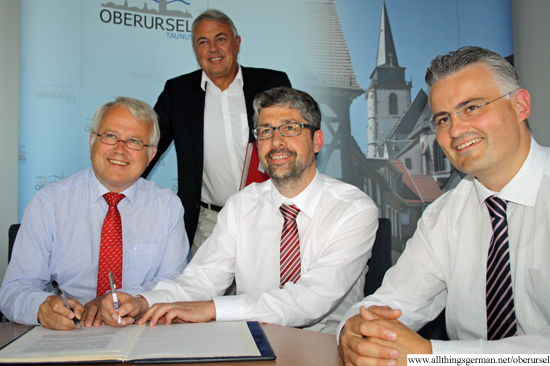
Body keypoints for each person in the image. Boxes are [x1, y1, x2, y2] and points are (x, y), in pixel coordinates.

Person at [102, 87, 379, 334]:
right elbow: (202, 278)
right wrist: (144, 301)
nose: (276, 141)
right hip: (252, 344)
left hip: (327, 349)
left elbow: (310, 299)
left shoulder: (354, 210)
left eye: (290, 128)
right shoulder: (241, 205)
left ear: (317, 141)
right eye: (266, 131)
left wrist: (212, 309)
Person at [338, 45, 550, 363]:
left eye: (472, 107)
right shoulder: (443, 215)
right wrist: (356, 329)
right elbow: (392, 303)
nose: (456, 130)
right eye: (443, 119)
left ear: (520, 105)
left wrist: (435, 354)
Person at [0, 97, 189, 330]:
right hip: (66, 333)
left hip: (138, 331)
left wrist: (123, 299)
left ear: (150, 156)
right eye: (110, 136)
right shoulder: (48, 203)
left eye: (134, 142)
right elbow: (13, 290)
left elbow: (175, 285)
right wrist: (41, 307)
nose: (120, 150)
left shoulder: (168, 207)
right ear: (92, 141)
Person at [142, 9, 292, 256]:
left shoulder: (272, 83)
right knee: (206, 294)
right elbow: (148, 146)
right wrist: (119, 188)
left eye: (220, 39)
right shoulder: (177, 92)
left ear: (237, 43)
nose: (213, 49)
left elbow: (298, 143)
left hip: (269, 216)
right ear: (195, 50)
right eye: (203, 42)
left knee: (266, 293)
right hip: (209, 225)